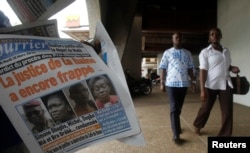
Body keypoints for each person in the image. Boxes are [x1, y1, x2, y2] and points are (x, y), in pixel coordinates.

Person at [193, 28, 240, 137]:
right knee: (206, 108)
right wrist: (202, 90)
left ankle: (225, 135)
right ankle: (198, 125)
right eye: (212, 34)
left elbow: (225, 66)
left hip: (226, 84)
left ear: (220, 36)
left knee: (227, 112)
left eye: (217, 34)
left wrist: (232, 68)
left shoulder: (226, 51)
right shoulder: (205, 52)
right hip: (210, 85)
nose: (215, 36)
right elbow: (203, 71)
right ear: (209, 38)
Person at [159, 32, 196, 144]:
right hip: (171, 84)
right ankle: (176, 134)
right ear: (172, 39)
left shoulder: (187, 53)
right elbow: (163, 68)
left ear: (182, 39)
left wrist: (193, 81)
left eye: (180, 37)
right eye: (176, 37)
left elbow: (190, 68)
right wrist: (162, 82)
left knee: (178, 108)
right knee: (174, 108)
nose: (178, 39)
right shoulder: (167, 52)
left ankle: (177, 127)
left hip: (183, 84)